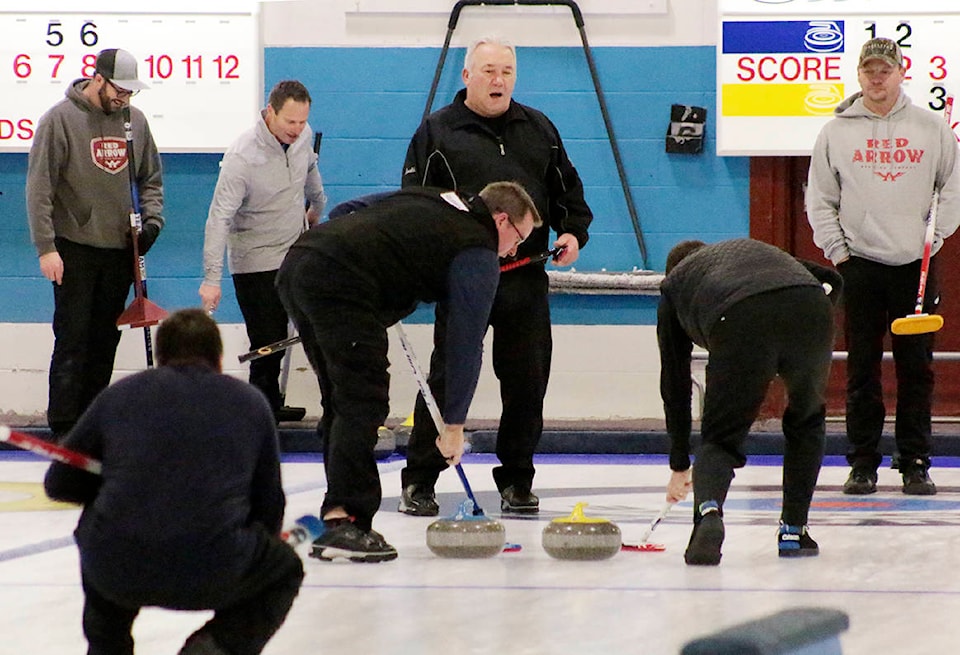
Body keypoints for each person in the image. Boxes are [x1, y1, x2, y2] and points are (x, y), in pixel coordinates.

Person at [276, 182, 541, 562]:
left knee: (342, 397)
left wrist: (387, 267)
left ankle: (337, 515)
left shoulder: (435, 198)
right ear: (501, 220)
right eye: (518, 238)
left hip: (300, 262)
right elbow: (464, 344)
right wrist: (453, 426)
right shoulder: (477, 250)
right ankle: (345, 521)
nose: (514, 250)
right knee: (362, 400)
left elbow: (345, 210)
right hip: (342, 283)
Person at [398, 36, 593, 516]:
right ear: (467, 76)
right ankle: (420, 478)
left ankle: (517, 480)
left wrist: (573, 233)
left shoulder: (539, 128)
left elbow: (568, 190)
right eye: (488, 71)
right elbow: (413, 206)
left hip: (525, 279)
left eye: (506, 70)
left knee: (528, 381)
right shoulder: (437, 133)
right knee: (448, 377)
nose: (498, 80)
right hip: (463, 279)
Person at [43, 308, 304, 655]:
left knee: (99, 530)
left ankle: (108, 647)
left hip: (119, 569)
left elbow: (59, 484)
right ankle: (215, 646)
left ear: (160, 356)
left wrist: (116, 484)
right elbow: (268, 505)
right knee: (283, 568)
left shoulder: (120, 395)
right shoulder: (251, 403)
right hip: (214, 566)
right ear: (219, 358)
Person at [806, 37, 960, 496]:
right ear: (859, 74)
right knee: (862, 368)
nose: (877, 77)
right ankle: (863, 463)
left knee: (917, 369)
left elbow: (951, 188)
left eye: (885, 70)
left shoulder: (931, 128)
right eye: (869, 70)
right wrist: (839, 253)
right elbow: (819, 198)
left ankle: (914, 459)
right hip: (860, 266)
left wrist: (934, 239)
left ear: (900, 73)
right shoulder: (835, 132)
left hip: (915, 265)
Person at [658, 239, 841, 566]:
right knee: (807, 419)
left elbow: (675, 382)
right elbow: (832, 278)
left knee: (720, 438)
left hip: (740, 317)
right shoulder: (744, 250)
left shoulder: (675, 285)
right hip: (812, 305)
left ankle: (709, 514)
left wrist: (679, 461)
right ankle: (793, 531)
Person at [26, 48, 164, 440]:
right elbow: (40, 189)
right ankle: (65, 426)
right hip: (74, 248)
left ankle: (94, 423)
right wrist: (46, 247)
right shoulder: (59, 120)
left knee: (106, 339)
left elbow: (150, 179)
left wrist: (152, 223)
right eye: (119, 91)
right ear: (98, 79)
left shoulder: (134, 121)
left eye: (130, 93)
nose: (124, 99)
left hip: (120, 250)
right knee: (73, 337)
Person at [199, 79, 327, 424]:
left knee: (307, 332)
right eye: (290, 122)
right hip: (254, 260)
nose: (297, 130)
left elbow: (309, 169)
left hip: (294, 250)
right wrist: (212, 279)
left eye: (302, 122)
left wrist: (317, 205)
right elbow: (218, 218)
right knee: (267, 342)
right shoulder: (242, 157)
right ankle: (259, 415)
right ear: (270, 112)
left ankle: (276, 401)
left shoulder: (302, 136)